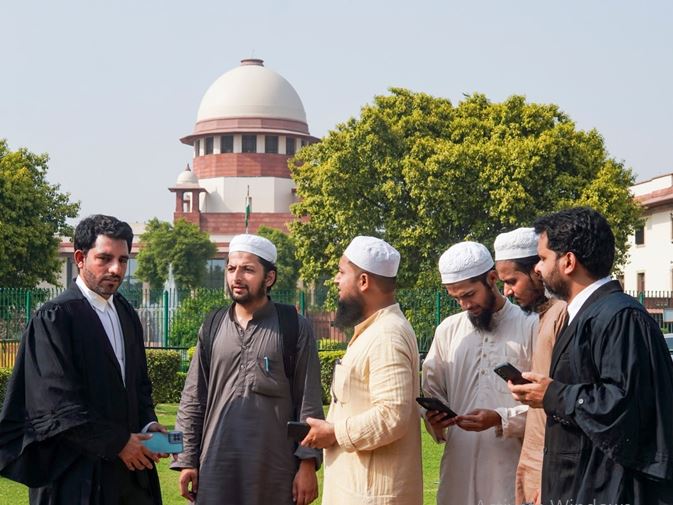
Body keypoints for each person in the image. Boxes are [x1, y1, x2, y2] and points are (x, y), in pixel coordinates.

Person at [510, 207, 673, 504]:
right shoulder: (585, 314)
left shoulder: (620, 317)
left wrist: (554, 394)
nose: (537, 269)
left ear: (568, 261)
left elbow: (624, 407)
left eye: (543, 259)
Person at [0, 214, 165, 505]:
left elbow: (139, 386)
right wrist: (118, 443)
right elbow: (56, 405)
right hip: (74, 477)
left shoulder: (126, 314)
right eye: (105, 258)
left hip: (130, 477)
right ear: (80, 258)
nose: (116, 269)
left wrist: (149, 425)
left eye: (123, 260)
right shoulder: (55, 318)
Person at [171, 233, 323, 505]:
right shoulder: (213, 325)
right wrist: (187, 460)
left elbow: (308, 401)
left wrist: (307, 464)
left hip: (275, 472)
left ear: (269, 277)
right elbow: (193, 398)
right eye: (231, 268)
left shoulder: (294, 327)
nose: (236, 277)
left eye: (248, 270)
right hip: (215, 467)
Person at [302, 236, 422, 505]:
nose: (336, 280)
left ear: (364, 281)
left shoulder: (387, 334)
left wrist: (334, 433)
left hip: (372, 496)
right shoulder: (374, 330)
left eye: (342, 272)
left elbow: (392, 416)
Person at [422, 241, 537, 505]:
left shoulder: (530, 325)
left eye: (469, 295)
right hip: (458, 469)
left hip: (509, 470)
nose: (464, 305)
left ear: (492, 278)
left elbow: (547, 406)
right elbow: (432, 390)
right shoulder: (448, 330)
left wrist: (501, 419)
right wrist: (434, 419)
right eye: (456, 298)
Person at [494, 227, 567, 505]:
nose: (507, 291)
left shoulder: (563, 314)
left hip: (552, 470)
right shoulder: (543, 316)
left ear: (537, 270)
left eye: (512, 281)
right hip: (535, 461)